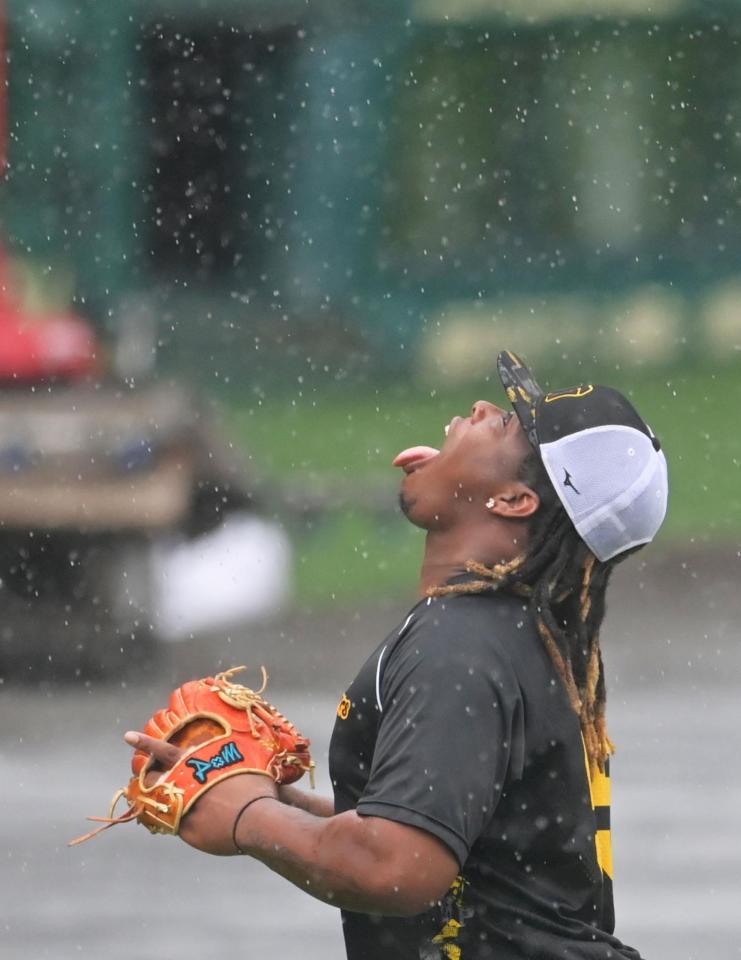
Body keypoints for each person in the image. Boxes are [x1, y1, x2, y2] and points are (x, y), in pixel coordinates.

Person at [126, 350, 669, 959]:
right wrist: (292, 808)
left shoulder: (460, 647)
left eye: (510, 423)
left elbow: (399, 867)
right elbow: (471, 833)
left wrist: (246, 816)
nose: (482, 408)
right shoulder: (519, 634)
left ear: (514, 500)